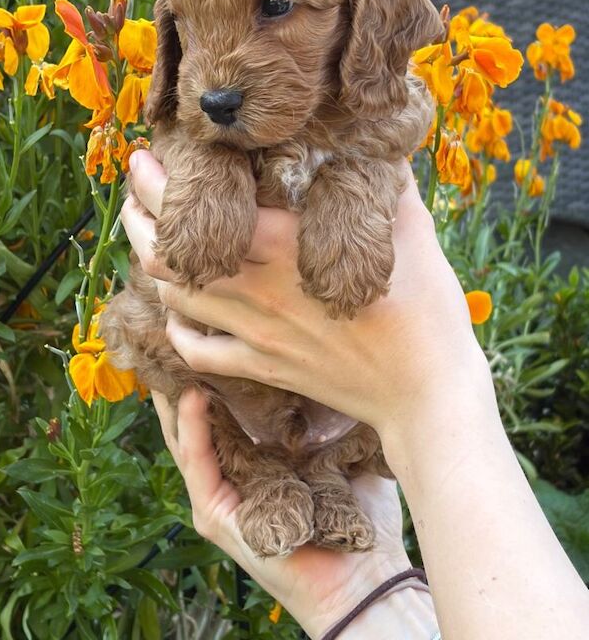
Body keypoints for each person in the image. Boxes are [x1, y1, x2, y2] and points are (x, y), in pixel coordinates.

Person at [121, 149, 589, 640]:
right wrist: (367, 594)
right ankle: (276, 476)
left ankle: (324, 478)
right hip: (239, 409)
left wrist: (424, 390)